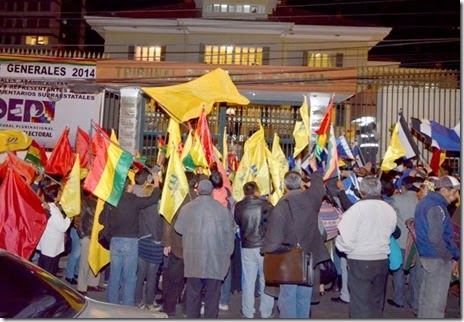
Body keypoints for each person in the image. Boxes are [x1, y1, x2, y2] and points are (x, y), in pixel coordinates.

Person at [261, 158, 329, 318]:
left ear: (284, 186)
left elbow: (274, 238)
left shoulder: (281, 206)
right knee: (304, 299)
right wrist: (315, 170)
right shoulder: (312, 199)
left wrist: (265, 250)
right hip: (309, 258)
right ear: (300, 184)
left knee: (287, 299)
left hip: (288, 260)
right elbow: (319, 188)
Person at [335, 176, 397, 318]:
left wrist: (345, 248)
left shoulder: (355, 210)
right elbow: (392, 230)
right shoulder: (389, 209)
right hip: (381, 260)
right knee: (376, 302)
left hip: (360, 260)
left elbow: (345, 240)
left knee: (359, 304)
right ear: (379, 190)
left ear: (361, 191)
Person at [174, 179, 235, 318]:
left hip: (193, 261)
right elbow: (230, 236)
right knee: (212, 299)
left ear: (197, 191)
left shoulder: (187, 208)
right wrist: (227, 256)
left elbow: (178, 228)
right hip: (215, 261)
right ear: (212, 192)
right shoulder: (222, 210)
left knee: (193, 297)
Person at [100, 175, 160, 307]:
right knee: (130, 277)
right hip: (130, 242)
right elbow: (154, 198)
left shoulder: (112, 200)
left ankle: (112, 304)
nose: (133, 186)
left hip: (115, 241)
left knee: (115, 275)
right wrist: (156, 182)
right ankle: (127, 306)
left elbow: (101, 219)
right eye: (131, 184)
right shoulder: (133, 200)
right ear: (127, 186)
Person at [414, 175, 460, 318]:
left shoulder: (427, 202)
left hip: (428, 256)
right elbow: (435, 238)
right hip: (437, 258)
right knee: (435, 304)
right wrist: (448, 256)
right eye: (455, 192)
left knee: (426, 298)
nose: (457, 196)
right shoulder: (436, 207)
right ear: (444, 190)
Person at [234, 181, 274, 318]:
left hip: (246, 245)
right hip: (264, 247)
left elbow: (238, 222)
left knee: (248, 280)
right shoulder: (266, 205)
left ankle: (247, 311)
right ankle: (266, 311)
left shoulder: (238, 206)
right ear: (256, 192)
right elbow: (272, 224)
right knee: (266, 279)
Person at [162, 172, 200, 317]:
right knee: (192, 281)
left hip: (177, 246)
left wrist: (167, 242)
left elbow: (167, 220)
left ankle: (169, 309)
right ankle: (187, 308)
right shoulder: (198, 200)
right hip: (194, 248)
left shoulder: (176, 198)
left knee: (173, 280)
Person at [387, 176, 421, 310]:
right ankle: (413, 301)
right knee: (414, 272)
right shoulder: (421, 199)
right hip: (416, 242)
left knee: (399, 271)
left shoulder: (397, 199)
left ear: (404, 186)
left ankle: (398, 299)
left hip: (401, 241)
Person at [134, 170, 163, 311]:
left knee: (140, 275)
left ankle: (137, 301)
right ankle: (150, 303)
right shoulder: (156, 207)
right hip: (153, 243)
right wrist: (159, 241)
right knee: (151, 276)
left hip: (141, 241)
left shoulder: (140, 204)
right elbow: (157, 226)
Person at [36, 184, 72, 276]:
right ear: (55, 196)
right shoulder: (54, 211)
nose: (61, 194)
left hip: (47, 244)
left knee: (43, 268)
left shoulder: (47, 206)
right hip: (51, 246)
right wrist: (69, 217)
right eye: (59, 193)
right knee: (48, 273)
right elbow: (63, 227)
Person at [76, 192, 105, 295]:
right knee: (85, 262)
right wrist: (83, 236)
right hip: (88, 236)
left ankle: (92, 283)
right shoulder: (85, 202)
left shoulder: (103, 202)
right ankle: (82, 287)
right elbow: (78, 220)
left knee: (97, 260)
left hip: (99, 237)